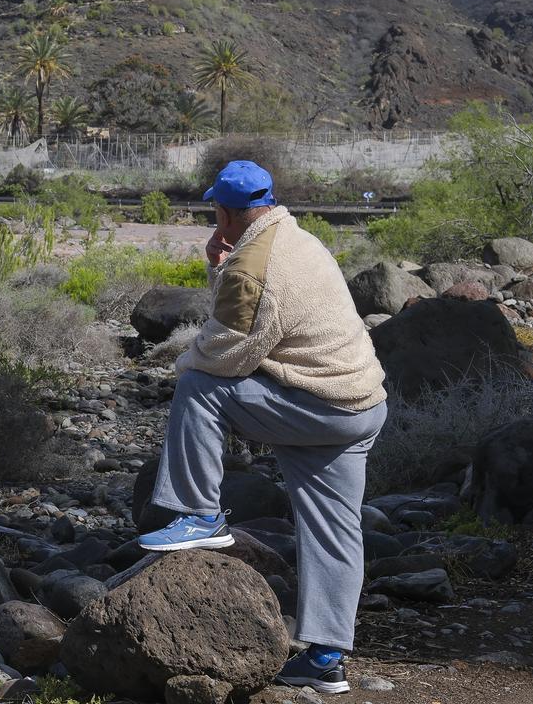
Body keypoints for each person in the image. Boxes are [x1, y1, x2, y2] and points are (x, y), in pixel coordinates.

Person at [136, 161, 388, 695]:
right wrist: (218, 271)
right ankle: (326, 659)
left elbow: (226, 354)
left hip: (318, 405)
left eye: (215, 212)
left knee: (197, 389)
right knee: (334, 529)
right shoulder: (293, 235)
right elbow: (249, 324)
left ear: (224, 212)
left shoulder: (252, 268)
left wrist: (181, 365)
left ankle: (198, 513)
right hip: (359, 405)